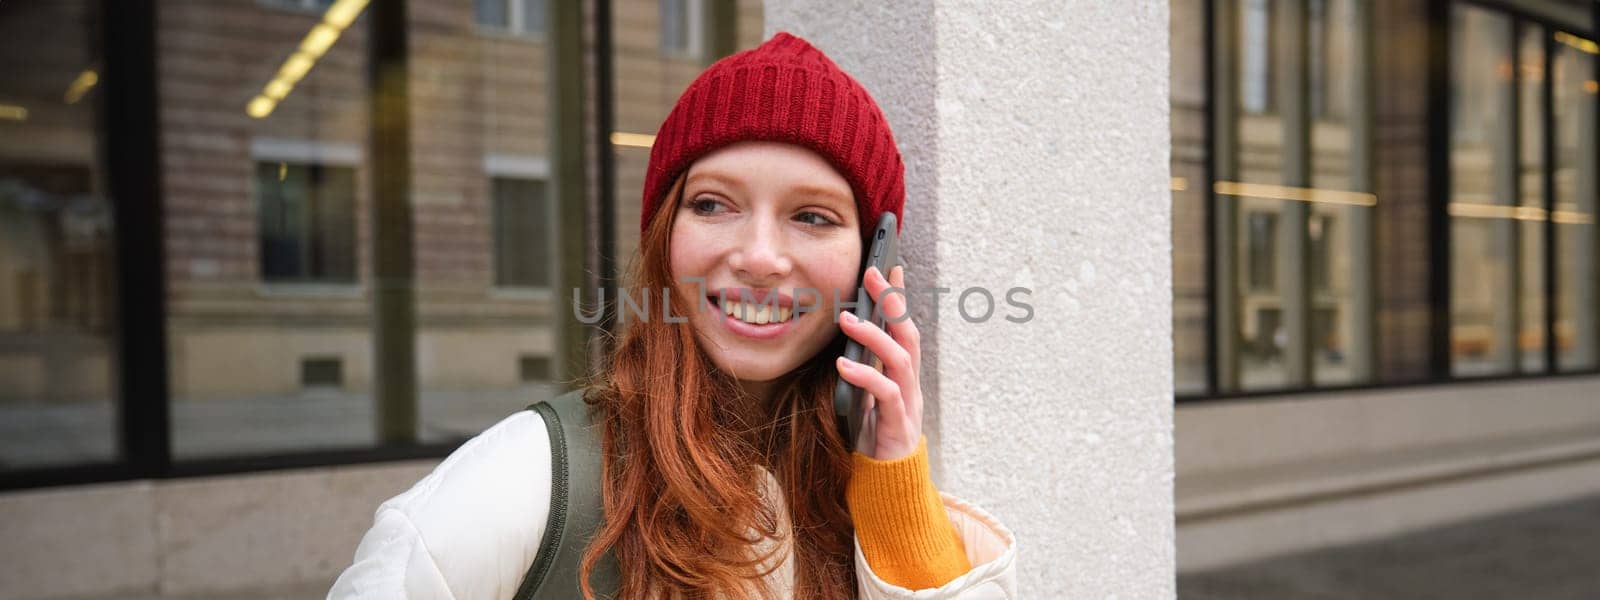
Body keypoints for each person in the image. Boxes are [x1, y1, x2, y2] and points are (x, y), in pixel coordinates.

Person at [328, 31, 1017, 599]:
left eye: (812, 216)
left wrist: (893, 479)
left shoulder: (871, 492)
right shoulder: (530, 478)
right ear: (663, 236)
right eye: (714, 204)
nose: (760, 257)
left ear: (873, 263)